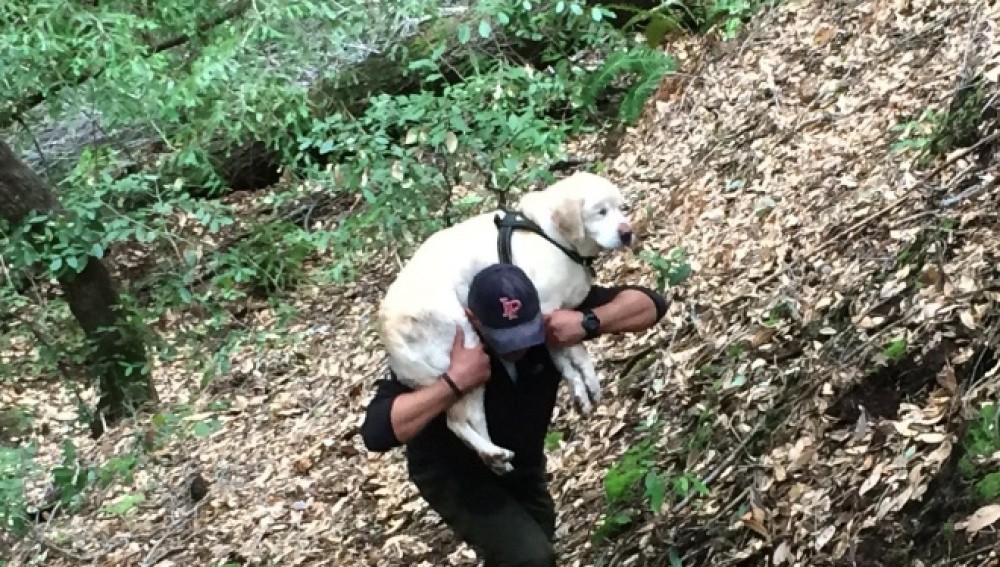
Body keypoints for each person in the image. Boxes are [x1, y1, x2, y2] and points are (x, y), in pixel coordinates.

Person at [361, 263, 667, 566]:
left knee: (538, 544)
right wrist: (453, 383)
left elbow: (651, 303)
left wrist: (589, 322)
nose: (519, 347)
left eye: (526, 333)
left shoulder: (549, 316)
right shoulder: (440, 343)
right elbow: (377, 432)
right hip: (456, 473)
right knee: (530, 557)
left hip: (521, 463)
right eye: (506, 338)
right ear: (472, 320)